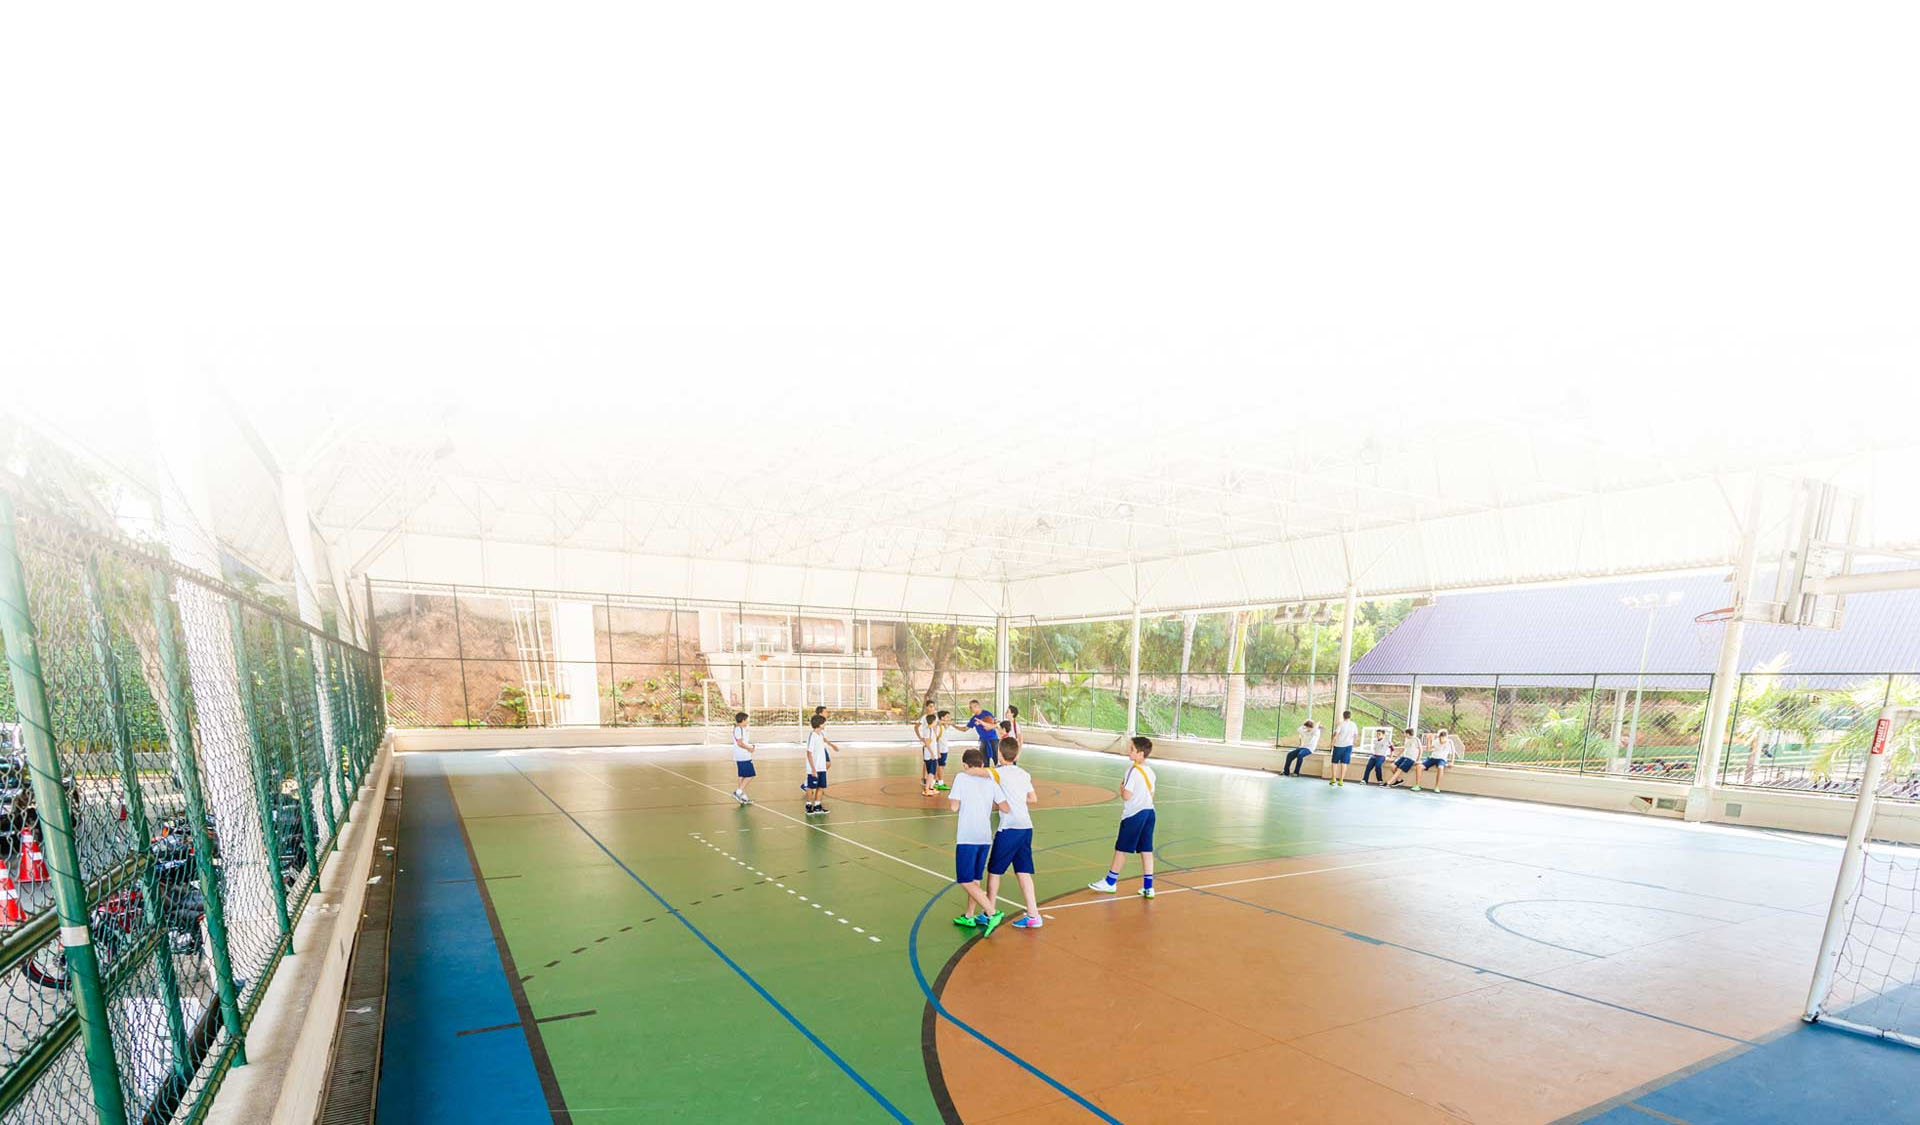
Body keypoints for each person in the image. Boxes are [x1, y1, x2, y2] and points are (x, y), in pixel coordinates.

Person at [1087, 736, 1157, 898]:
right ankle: (1148, 887)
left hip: (1134, 815)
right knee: (1146, 849)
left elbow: (1126, 795)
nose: (1128, 751)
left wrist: (1121, 787)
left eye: (1132, 749)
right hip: (1149, 813)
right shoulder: (1151, 772)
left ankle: (1110, 881)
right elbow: (1152, 795)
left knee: (1121, 849)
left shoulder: (1133, 770)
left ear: (1140, 754)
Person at [950, 747, 1009, 936]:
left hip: (967, 836)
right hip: (985, 837)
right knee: (975, 879)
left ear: (965, 765)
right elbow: (1004, 807)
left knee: (965, 880)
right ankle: (969, 915)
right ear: (982, 764)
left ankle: (992, 912)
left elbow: (954, 807)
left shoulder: (961, 777)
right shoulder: (991, 780)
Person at [985, 739, 1042, 929]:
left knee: (994, 871)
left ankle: (989, 912)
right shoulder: (1024, 774)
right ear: (1016, 755)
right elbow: (1033, 798)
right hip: (1026, 827)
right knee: (1023, 871)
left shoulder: (997, 773)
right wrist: (1017, 797)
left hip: (1009, 828)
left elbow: (982, 779)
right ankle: (1033, 915)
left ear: (999, 754)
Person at [804, 714, 838, 815]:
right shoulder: (812, 736)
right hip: (814, 767)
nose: (825, 724)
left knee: (821, 786)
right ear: (819, 724)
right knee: (811, 787)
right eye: (824, 723)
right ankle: (809, 805)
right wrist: (813, 769)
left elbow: (825, 740)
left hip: (822, 766)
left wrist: (832, 745)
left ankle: (817, 806)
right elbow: (809, 753)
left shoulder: (821, 734)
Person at [1328, 710, 1359, 787]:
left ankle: (1333, 778)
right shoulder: (1353, 724)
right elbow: (1356, 735)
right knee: (1344, 763)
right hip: (1348, 746)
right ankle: (1341, 780)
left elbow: (1336, 735)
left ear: (1343, 716)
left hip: (1339, 745)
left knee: (1334, 762)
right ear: (1350, 716)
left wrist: (1332, 743)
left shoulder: (1341, 724)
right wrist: (1354, 743)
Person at [965, 699, 1001, 766]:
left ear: (977, 706)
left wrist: (990, 726)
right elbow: (965, 729)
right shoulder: (974, 719)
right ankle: (986, 771)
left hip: (993, 739)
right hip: (983, 741)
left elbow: (997, 724)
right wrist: (954, 725)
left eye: (971, 707)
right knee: (984, 762)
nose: (970, 709)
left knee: (997, 760)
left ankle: (1000, 771)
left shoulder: (987, 714)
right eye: (970, 707)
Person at [731, 712, 756, 804]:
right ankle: (738, 792)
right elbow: (740, 743)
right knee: (750, 775)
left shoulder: (739, 729)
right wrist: (749, 748)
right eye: (747, 720)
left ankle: (742, 796)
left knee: (742, 776)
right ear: (743, 720)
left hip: (740, 755)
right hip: (743, 755)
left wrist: (750, 746)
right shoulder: (739, 729)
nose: (748, 721)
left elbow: (742, 742)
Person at [916, 704, 940, 796]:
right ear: (933, 722)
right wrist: (932, 754)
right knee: (931, 772)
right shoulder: (928, 731)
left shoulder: (931, 731)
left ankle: (930, 787)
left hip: (930, 753)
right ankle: (926, 789)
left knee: (931, 771)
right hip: (930, 754)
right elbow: (927, 743)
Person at [933, 709, 954, 790]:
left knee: (940, 766)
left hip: (944, 749)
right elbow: (936, 740)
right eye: (947, 717)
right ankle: (940, 783)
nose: (949, 718)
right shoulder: (939, 727)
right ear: (942, 718)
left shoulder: (943, 727)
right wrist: (938, 751)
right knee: (940, 766)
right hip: (941, 750)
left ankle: (935, 782)